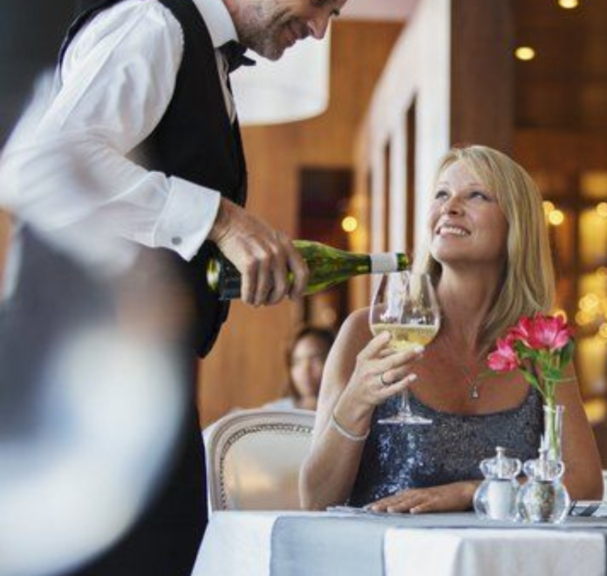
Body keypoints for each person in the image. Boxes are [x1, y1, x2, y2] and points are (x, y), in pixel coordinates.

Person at [1, 0, 349, 574]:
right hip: (75, 390)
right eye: (321, 6)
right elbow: (43, 164)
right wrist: (222, 220)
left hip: (140, 389)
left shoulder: (205, 59)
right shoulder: (153, 23)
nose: (318, 30)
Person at [300, 145, 604, 512]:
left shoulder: (541, 346)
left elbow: (585, 485)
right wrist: (355, 402)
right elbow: (315, 501)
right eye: (442, 194)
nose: (449, 206)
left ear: (517, 224)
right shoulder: (369, 332)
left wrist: (469, 492)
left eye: (476, 194)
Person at [264, 325, 334, 411]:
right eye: (297, 361)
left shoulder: (346, 415)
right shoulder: (273, 413)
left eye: (315, 359)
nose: (305, 370)